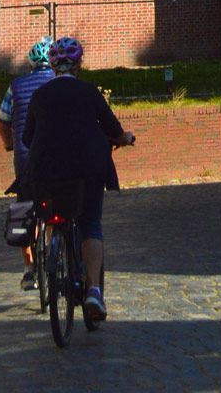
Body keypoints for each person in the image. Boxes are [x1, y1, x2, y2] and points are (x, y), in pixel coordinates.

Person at [19, 33, 135, 325]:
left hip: (46, 173)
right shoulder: (89, 91)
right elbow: (113, 128)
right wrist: (125, 139)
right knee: (90, 225)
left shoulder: (40, 95)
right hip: (88, 170)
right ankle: (94, 290)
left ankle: (51, 259)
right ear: (79, 63)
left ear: (54, 66)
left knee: (52, 214)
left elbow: (26, 137)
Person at [0, 35, 55, 288]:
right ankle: (56, 251)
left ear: (31, 63)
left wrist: (9, 144)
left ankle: (29, 268)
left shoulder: (16, 86)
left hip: (25, 158)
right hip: (56, 158)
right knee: (58, 207)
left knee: (26, 208)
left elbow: (3, 122)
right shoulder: (60, 83)